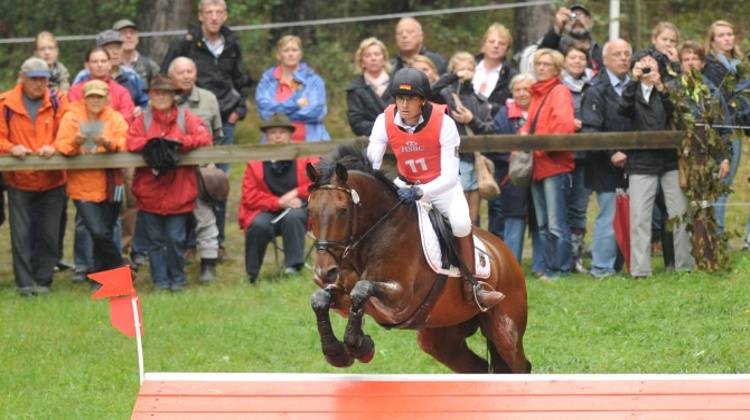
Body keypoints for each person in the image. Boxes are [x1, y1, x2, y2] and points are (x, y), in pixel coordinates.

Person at [367, 67, 504, 309]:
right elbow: (372, 164)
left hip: (441, 187)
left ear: (423, 100)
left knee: (462, 223)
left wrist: (421, 192)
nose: (404, 105)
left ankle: (472, 287)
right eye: (400, 98)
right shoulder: (383, 121)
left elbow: (450, 177)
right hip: (404, 183)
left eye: (410, 99)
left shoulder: (445, 123)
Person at [161, 0, 250, 261]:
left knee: (216, 184)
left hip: (222, 122)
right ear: (200, 16)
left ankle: (217, 243)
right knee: (186, 183)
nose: (213, 17)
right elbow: (166, 76)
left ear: (225, 15)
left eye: (218, 12)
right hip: (189, 117)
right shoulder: (185, 42)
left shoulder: (232, 41)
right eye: (208, 12)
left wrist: (238, 112)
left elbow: (242, 80)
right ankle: (190, 244)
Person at [126, 75, 212, 292]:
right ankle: (160, 282)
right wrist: (152, 146)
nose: (162, 97)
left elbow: (204, 137)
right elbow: (130, 141)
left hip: (179, 192)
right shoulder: (142, 120)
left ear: (173, 96)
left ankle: (178, 280)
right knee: (154, 241)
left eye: (166, 93)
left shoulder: (186, 117)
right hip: (149, 192)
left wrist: (177, 145)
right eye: (157, 92)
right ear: (150, 95)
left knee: (175, 239)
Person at [618, 47, 694, 279]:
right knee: (640, 217)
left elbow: (680, 115)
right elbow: (622, 109)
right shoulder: (631, 90)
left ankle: (685, 265)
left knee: (680, 213)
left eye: (653, 62)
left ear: (661, 67)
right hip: (641, 162)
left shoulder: (669, 89)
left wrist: (660, 87)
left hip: (670, 159)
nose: (648, 66)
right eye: (643, 62)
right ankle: (640, 270)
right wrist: (634, 80)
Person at [0, 58, 69, 296]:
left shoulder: (59, 101)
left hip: (53, 180)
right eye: (35, 78)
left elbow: (70, 131)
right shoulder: (5, 103)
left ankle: (44, 281)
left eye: (44, 78)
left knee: (49, 234)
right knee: (20, 235)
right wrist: (11, 148)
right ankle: (25, 284)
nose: (40, 83)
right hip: (19, 181)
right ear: (22, 76)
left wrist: (55, 146)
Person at [53, 80, 128, 285]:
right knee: (98, 231)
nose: (95, 100)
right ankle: (121, 271)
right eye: (91, 96)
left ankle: (100, 280)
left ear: (107, 98)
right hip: (82, 187)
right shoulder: (72, 118)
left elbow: (124, 142)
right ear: (84, 98)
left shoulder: (116, 118)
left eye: (99, 96)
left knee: (104, 234)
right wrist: (75, 142)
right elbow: (61, 146)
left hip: (114, 186)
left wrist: (108, 143)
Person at [518, 48, 576, 279]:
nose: (541, 67)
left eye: (546, 64)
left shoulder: (559, 91)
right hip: (538, 165)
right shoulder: (538, 93)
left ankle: (561, 270)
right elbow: (530, 125)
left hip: (555, 165)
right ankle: (550, 268)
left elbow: (563, 128)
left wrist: (534, 144)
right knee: (542, 224)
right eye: (538, 63)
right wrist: (523, 133)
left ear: (557, 68)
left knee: (555, 223)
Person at [239, 113, 316, 284]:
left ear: (290, 135)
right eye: (273, 132)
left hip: (298, 206)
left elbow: (317, 182)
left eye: (283, 132)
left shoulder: (305, 156)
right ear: (266, 137)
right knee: (258, 225)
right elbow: (249, 196)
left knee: (294, 216)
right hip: (266, 209)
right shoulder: (255, 162)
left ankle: (293, 268)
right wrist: (278, 202)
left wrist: (296, 192)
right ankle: (252, 275)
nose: (278, 136)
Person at [168, 56, 223, 283]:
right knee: (173, 219)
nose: (186, 76)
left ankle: (208, 264)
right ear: (171, 77)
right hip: (172, 173)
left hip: (201, 171)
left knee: (205, 217)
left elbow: (218, 135)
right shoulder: (163, 99)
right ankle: (175, 262)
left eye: (190, 71)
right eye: (181, 72)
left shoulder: (209, 99)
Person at [580, 38, 632, 279]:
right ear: (606, 60)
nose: (623, 58)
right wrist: (612, 152)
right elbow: (590, 130)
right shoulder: (595, 89)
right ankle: (601, 268)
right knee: (609, 214)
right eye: (617, 54)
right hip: (603, 164)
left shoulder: (634, 87)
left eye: (626, 54)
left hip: (634, 162)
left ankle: (621, 264)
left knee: (629, 215)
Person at [488, 73, 541, 268]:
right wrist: (519, 157)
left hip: (539, 173)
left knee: (539, 221)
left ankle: (540, 266)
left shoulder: (540, 110)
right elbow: (497, 146)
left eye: (526, 89)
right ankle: (512, 266)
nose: (522, 93)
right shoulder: (503, 114)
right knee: (514, 221)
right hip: (511, 179)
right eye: (517, 89)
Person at [438, 52, 495, 226]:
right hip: (454, 162)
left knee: (474, 216)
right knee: (457, 214)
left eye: (469, 69)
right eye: (461, 69)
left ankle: (474, 250)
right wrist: (453, 77)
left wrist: (472, 120)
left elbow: (491, 131)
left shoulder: (480, 100)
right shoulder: (444, 95)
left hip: (476, 160)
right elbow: (429, 91)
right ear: (452, 70)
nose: (466, 73)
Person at [703, 20, 746, 238]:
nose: (727, 38)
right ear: (711, 40)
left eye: (730, 34)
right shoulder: (710, 66)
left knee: (725, 183)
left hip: (738, 127)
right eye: (721, 35)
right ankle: (716, 234)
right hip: (721, 129)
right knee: (720, 182)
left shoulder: (738, 65)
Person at [256, 35, 330, 143]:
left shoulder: (314, 81)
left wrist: (279, 116)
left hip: (312, 143)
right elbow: (266, 112)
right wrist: (296, 105)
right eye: (286, 50)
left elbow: (315, 112)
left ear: (300, 54)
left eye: (294, 50)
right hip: (276, 146)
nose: (290, 54)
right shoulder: (267, 81)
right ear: (278, 55)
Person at [561, 45, 594, 273]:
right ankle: (560, 255)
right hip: (560, 154)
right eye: (572, 57)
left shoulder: (594, 84)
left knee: (580, 206)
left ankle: (576, 255)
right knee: (560, 207)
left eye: (581, 58)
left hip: (586, 155)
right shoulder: (557, 85)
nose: (577, 61)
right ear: (564, 61)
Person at [73, 30, 150, 112]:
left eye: (118, 48)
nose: (115, 52)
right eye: (110, 48)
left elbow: (147, 102)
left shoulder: (131, 75)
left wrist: (141, 110)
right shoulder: (83, 76)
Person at [68, 47, 135, 122]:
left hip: (114, 132)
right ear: (87, 65)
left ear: (110, 64)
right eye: (94, 62)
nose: (99, 65)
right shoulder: (75, 91)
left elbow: (126, 120)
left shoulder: (122, 92)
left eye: (103, 61)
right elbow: (73, 119)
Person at [346, 37, 393, 137]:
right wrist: (384, 129)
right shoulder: (355, 90)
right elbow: (357, 123)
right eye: (368, 55)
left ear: (384, 58)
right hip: (369, 143)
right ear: (361, 61)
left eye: (377, 54)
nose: (373, 58)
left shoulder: (398, 84)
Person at [539, 4, 602, 73]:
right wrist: (557, 27)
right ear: (565, 22)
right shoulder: (558, 46)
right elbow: (541, 55)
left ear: (591, 23)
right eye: (572, 16)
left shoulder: (601, 51)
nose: (577, 19)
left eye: (582, 16)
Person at [472, 23, 518, 116]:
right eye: (491, 41)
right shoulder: (467, 67)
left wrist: (493, 108)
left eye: (502, 43)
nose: (496, 46)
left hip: (493, 126)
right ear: (484, 45)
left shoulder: (512, 77)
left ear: (507, 50)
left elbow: (516, 107)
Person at [113, 19, 160, 87]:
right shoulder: (109, 67)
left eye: (132, 32)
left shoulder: (150, 67)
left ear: (137, 38)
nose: (129, 36)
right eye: (123, 33)